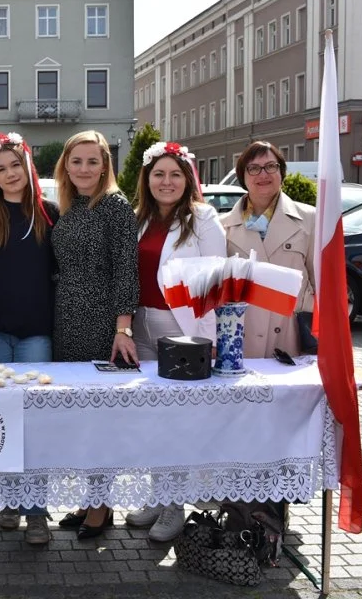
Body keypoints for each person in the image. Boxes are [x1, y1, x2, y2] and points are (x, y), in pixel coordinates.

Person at [124, 141, 227, 542]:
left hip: (184, 329)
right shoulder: (139, 219)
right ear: (147, 180)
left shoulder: (203, 219)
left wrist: (209, 339)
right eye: (158, 174)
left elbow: (215, 282)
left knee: (178, 418)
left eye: (175, 174)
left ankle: (175, 505)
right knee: (153, 415)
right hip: (143, 325)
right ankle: (157, 494)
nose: (166, 182)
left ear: (188, 180)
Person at [52, 130, 139, 539]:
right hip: (66, 318)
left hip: (101, 321)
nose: (84, 168)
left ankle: (102, 508)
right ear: (65, 166)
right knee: (79, 418)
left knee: (100, 416)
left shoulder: (116, 207)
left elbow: (127, 271)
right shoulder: (68, 206)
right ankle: (90, 500)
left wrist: (123, 328)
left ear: (105, 165)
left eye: (92, 161)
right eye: (76, 161)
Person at [0, 132, 58, 545]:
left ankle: (37, 511)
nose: (9, 174)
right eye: (1, 168)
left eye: (15, 166)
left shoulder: (50, 213)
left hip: (37, 333)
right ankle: (11, 501)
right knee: (2, 420)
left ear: (28, 168)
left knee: (35, 424)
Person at [220, 141, 316, 358]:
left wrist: (306, 305)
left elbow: (321, 282)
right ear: (242, 177)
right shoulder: (223, 225)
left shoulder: (310, 219)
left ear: (281, 172)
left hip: (291, 333)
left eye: (271, 166)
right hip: (240, 338)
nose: (263, 174)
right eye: (253, 168)